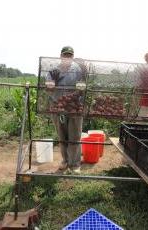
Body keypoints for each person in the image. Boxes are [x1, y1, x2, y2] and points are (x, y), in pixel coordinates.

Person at [45, 46, 85, 174]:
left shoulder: (78, 69)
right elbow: (48, 87)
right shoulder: (53, 70)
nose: (67, 57)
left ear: (72, 57)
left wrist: (75, 95)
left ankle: (75, 164)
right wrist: (52, 84)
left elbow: (82, 87)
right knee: (62, 135)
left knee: (75, 136)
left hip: (74, 106)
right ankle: (65, 160)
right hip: (58, 105)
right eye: (65, 55)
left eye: (70, 55)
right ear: (61, 56)